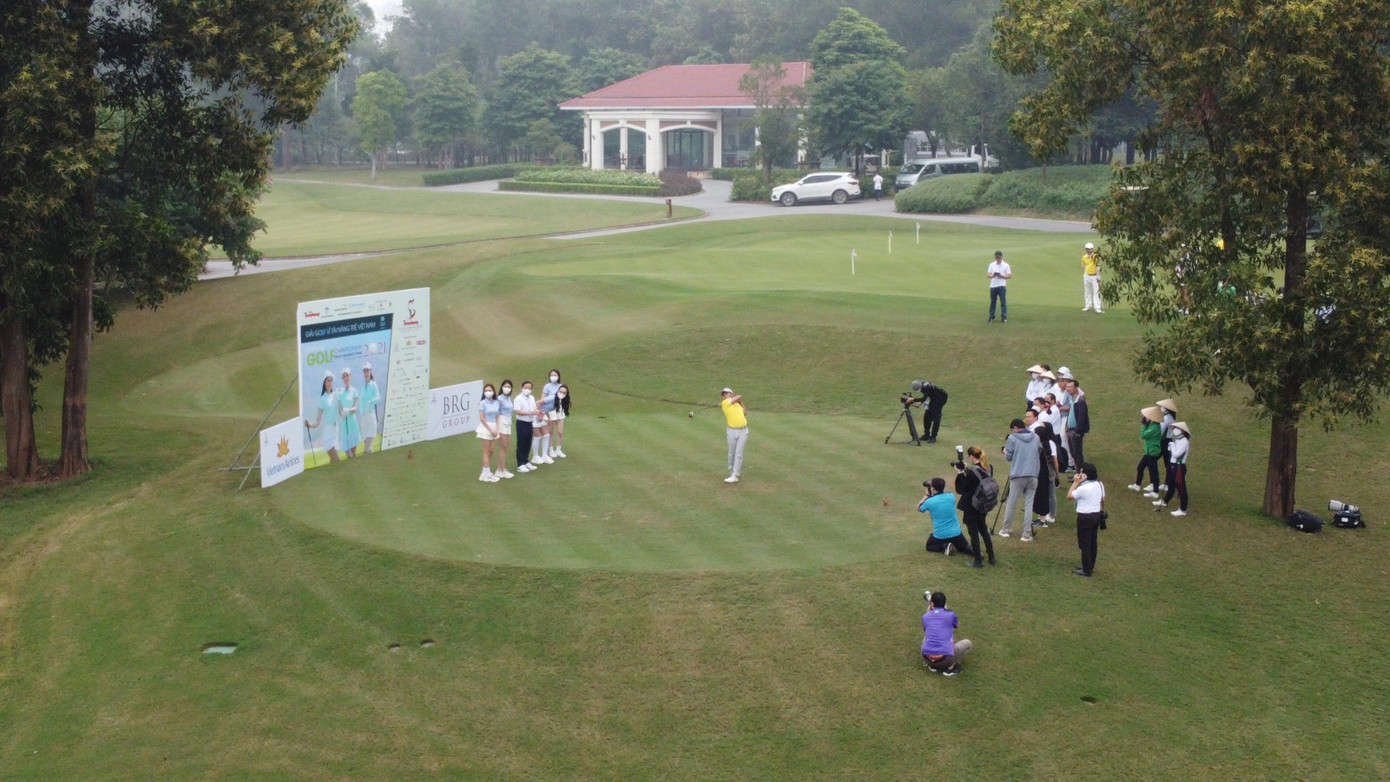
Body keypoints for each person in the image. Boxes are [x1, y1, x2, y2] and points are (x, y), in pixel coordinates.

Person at [918, 477, 979, 566]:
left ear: (933, 489)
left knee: (929, 546)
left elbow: (920, 508)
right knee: (964, 547)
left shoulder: (929, 502)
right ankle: (975, 553)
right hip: (956, 533)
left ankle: (945, 546)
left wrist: (926, 495)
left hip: (940, 534)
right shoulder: (951, 496)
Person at [953, 447, 996, 566]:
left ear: (972, 456)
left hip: (971, 506)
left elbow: (962, 489)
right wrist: (966, 470)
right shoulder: (989, 468)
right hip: (983, 504)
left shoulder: (972, 472)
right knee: (983, 529)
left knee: (973, 533)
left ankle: (977, 560)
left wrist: (961, 473)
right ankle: (991, 557)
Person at [999, 419, 1041, 541]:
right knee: (1029, 504)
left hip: (1018, 474)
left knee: (1011, 503)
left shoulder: (1012, 438)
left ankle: (1005, 530)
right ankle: (1026, 534)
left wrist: (1005, 451)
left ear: (1016, 428)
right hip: (1033, 474)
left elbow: (1008, 457)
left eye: (1013, 429)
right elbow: (1038, 451)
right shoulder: (1036, 437)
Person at [1067, 462, 1107, 576]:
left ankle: (1086, 569)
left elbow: (1069, 496)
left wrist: (1075, 482)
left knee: (1084, 543)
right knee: (1092, 541)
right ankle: (1090, 565)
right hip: (1096, 515)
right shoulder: (1100, 484)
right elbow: (1102, 498)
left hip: (1085, 516)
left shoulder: (1084, 488)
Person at [921, 591, 972, 675]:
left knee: (928, 636)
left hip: (926, 658)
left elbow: (926, 629)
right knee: (967, 643)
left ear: (932, 604)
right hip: (945, 660)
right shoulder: (950, 615)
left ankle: (932, 666)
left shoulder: (925, 616)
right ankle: (950, 668)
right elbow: (956, 625)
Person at [303, 370, 342, 464]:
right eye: (328, 380)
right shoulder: (322, 399)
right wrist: (309, 425)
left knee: (333, 462)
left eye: (331, 380)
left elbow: (340, 411)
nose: (330, 382)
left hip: (336, 431)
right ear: (324, 382)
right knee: (337, 460)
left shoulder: (335, 395)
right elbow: (317, 422)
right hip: (328, 433)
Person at [1153, 421, 1191, 516]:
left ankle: (1183, 509)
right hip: (1173, 465)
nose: (1175, 430)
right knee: (1171, 485)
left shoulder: (1184, 442)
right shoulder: (1178, 440)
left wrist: (1172, 445)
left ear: (1182, 431)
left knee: (1181, 488)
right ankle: (1164, 501)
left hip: (1179, 467)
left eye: (1177, 428)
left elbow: (1176, 454)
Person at [1128, 406, 1163, 497]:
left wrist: (1143, 425)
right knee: (1141, 467)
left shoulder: (1154, 427)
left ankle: (1155, 491)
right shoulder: (1153, 425)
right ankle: (1138, 485)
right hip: (1149, 451)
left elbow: (1143, 435)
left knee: (1153, 471)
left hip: (1152, 452)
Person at [1032, 421, 1060, 527]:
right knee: (1043, 494)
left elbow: (1054, 460)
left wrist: (1057, 474)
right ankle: (1042, 517)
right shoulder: (1043, 445)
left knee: (1048, 494)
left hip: (1045, 474)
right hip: (1043, 473)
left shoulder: (1046, 446)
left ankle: (1049, 516)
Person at [720, 387, 749, 484]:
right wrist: (738, 398)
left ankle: (735, 475)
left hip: (743, 431)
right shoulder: (725, 403)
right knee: (732, 452)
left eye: (727, 393)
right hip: (732, 431)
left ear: (731, 394)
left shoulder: (737, 405)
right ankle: (732, 471)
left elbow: (745, 413)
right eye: (724, 394)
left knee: (739, 453)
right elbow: (740, 396)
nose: (725, 395)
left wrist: (740, 402)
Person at [476, 383, 501, 482]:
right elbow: (482, 418)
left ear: (493, 391)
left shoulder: (496, 402)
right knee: (486, 451)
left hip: (494, 427)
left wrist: (497, 429)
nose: (488, 392)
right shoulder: (482, 403)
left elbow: (498, 416)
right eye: (486, 390)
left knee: (491, 451)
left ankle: (484, 472)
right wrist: (490, 430)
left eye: (489, 390)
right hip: (485, 428)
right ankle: (486, 475)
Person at [513, 380, 539, 473]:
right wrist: (530, 413)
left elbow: (534, 408)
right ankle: (520, 464)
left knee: (528, 442)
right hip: (521, 422)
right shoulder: (518, 398)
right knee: (521, 443)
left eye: (529, 388)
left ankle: (526, 460)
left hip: (530, 422)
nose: (527, 389)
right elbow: (517, 411)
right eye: (526, 388)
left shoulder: (532, 398)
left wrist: (537, 412)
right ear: (521, 388)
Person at [1066, 376, 1090, 469]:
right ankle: (1078, 471)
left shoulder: (1080, 401)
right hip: (1071, 430)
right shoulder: (1073, 399)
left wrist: (1077, 431)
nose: (1068, 389)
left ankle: (1080, 473)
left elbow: (1081, 417)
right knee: (1073, 452)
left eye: (1070, 387)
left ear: (1076, 388)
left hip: (1076, 431)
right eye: (1067, 387)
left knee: (1077, 453)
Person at [542, 369, 567, 459]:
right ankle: (551, 450)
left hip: (559, 411)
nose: (553, 377)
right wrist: (544, 411)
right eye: (551, 375)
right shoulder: (547, 386)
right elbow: (543, 399)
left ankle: (558, 450)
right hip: (550, 411)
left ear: (558, 376)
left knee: (560, 432)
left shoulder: (561, 386)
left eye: (555, 375)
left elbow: (565, 397)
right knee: (550, 431)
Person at [1155, 398, 1179, 492]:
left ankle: (1160, 483)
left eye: (1163, 407)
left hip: (1164, 441)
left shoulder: (1167, 418)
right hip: (1167, 440)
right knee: (1167, 463)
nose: (1161, 408)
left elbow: (1160, 431)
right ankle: (1167, 483)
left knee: (1152, 460)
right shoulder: (1170, 417)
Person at [337, 367, 361, 458]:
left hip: (353, 425)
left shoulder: (354, 391)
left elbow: (355, 408)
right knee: (349, 455)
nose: (346, 378)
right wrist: (342, 412)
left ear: (350, 376)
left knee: (354, 455)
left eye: (347, 375)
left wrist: (348, 410)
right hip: (345, 427)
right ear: (342, 379)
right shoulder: (340, 393)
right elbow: (339, 410)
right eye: (343, 376)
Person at [494, 379, 515, 478]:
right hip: (502, 421)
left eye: (509, 387)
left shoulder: (509, 398)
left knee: (505, 447)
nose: (507, 388)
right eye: (505, 386)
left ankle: (500, 468)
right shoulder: (499, 398)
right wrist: (497, 427)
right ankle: (501, 470)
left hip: (508, 421)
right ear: (502, 387)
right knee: (502, 447)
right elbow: (497, 413)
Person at [359, 362, 381, 454]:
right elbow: (361, 402)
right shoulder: (363, 387)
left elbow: (378, 398)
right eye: (364, 371)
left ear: (370, 372)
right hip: (364, 419)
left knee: (366, 449)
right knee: (369, 448)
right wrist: (361, 413)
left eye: (367, 370)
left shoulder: (373, 384)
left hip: (371, 417)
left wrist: (371, 401)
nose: (366, 373)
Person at [987, 250, 1011, 323]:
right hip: (993, 286)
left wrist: (1002, 276)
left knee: (1003, 302)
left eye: (999, 258)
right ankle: (991, 316)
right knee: (993, 302)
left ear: (1002, 257)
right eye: (997, 257)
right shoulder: (992, 265)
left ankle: (1004, 317)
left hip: (1001, 286)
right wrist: (993, 275)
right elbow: (988, 274)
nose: (998, 259)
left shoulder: (1006, 265)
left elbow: (1009, 276)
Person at [1082, 242, 1104, 313]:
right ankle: (1088, 306)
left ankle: (1097, 307)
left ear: (1092, 249)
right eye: (1087, 249)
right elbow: (1083, 265)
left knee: (1096, 292)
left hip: (1094, 276)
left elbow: (1098, 266)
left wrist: (1098, 276)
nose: (1088, 250)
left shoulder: (1095, 257)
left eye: (1089, 249)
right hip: (1087, 275)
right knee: (1087, 291)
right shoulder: (1084, 257)